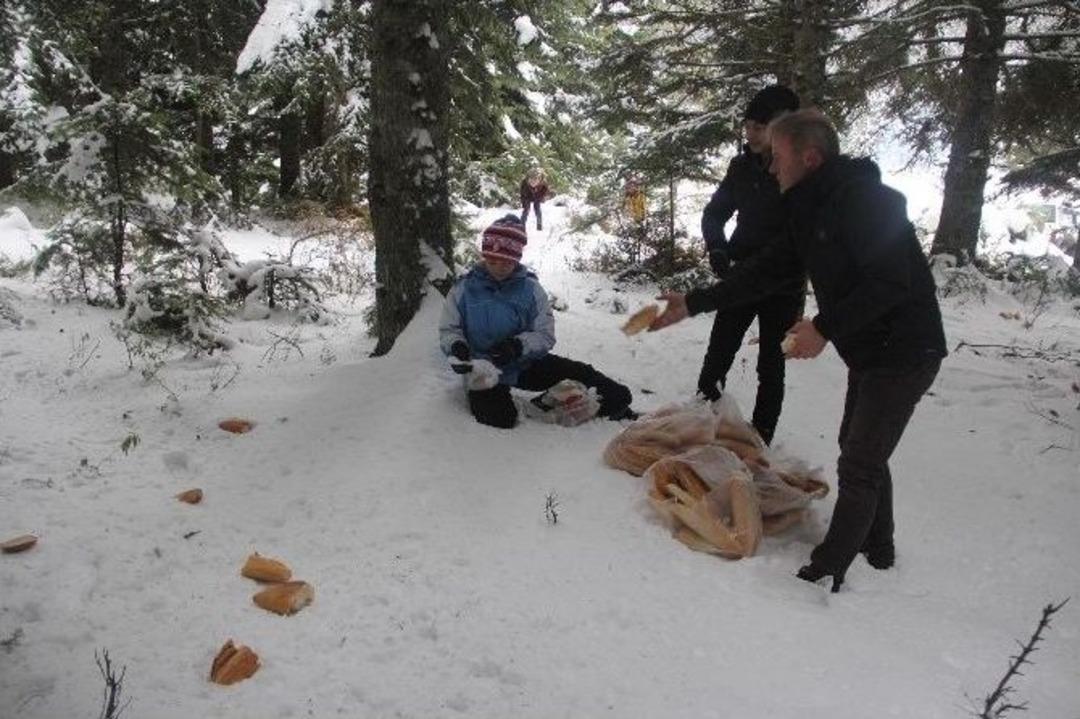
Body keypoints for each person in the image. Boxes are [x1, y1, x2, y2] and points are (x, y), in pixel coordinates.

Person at [649, 109, 947, 591]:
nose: (771, 168)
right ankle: (878, 547)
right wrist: (694, 303)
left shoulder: (867, 200)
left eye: (778, 156)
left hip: (906, 350)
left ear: (809, 157)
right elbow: (766, 269)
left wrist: (823, 327)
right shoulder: (810, 206)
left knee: (859, 461)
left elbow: (891, 281)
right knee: (861, 446)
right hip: (872, 348)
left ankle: (827, 570)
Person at [440, 214, 635, 429]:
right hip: (485, 373)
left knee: (608, 389)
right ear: (484, 257)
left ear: (517, 259)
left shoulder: (531, 290)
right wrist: (457, 347)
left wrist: (518, 346)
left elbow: (545, 333)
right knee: (500, 419)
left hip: (525, 363)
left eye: (507, 262)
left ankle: (612, 406)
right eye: (493, 261)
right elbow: (450, 329)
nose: (499, 268)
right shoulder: (463, 289)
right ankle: (532, 405)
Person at [697, 84, 803, 445]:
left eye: (758, 127)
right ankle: (702, 420)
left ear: (782, 127)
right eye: (748, 125)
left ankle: (760, 440)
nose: (750, 133)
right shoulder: (741, 167)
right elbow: (715, 213)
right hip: (740, 274)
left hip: (783, 285)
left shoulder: (805, 171)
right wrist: (718, 249)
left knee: (772, 366)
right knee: (718, 353)